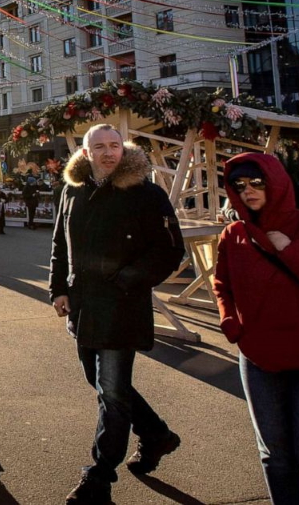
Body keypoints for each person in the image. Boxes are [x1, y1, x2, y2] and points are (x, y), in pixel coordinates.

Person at [50, 124, 186, 505]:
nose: (109, 153)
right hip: (82, 307)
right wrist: (58, 288)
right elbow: (60, 243)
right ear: (86, 152)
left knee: (111, 392)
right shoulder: (72, 190)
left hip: (122, 308)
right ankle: (157, 434)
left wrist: (128, 279)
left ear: (123, 150)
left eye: (115, 146)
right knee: (103, 385)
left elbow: (169, 250)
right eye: (100, 147)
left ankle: (99, 478)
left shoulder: (146, 193)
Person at [212, 154, 299, 505]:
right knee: (275, 456)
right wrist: (231, 323)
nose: (249, 191)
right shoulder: (233, 234)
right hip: (259, 359)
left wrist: (290, 250)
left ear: (277, 182)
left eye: (257, 183)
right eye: (240, 186)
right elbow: (221, 283)